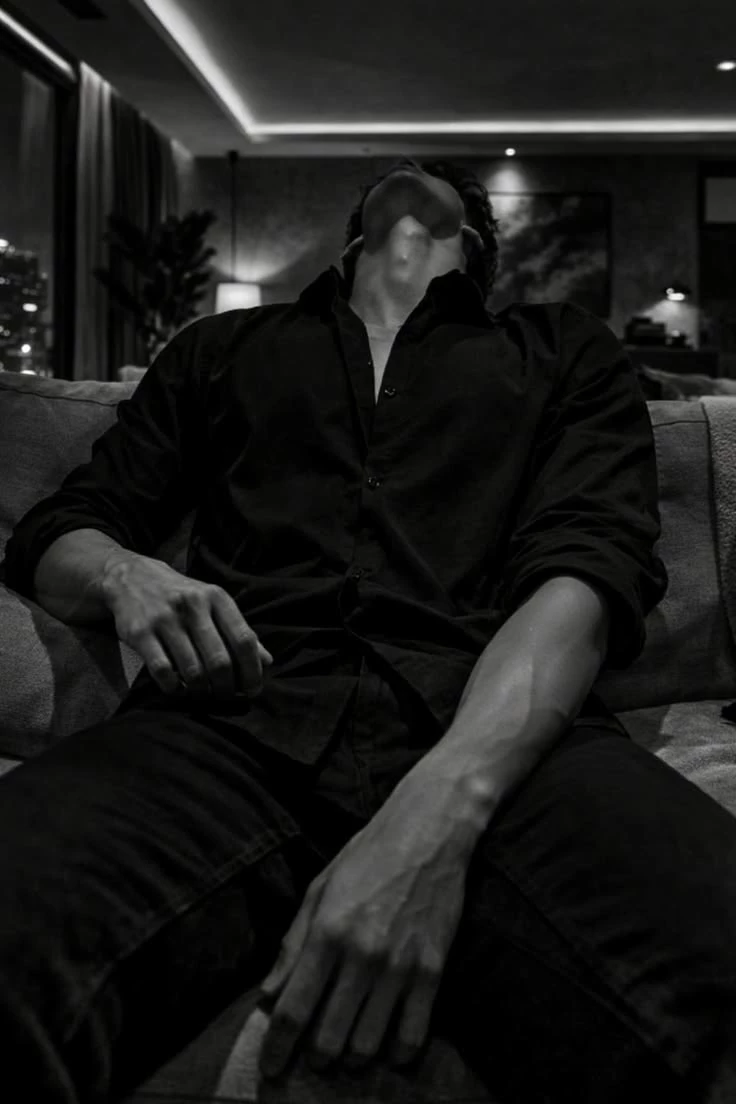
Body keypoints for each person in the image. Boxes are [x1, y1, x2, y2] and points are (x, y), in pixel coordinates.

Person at [1, 155, 735, 1104]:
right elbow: (63, 526)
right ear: (355, 232)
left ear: (478, 241)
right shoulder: (221, 346)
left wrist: (436, 816)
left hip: (501, 738)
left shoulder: (563, 347)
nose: (412, 168)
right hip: (229, 721)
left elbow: (589, 566)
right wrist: (124, 571)